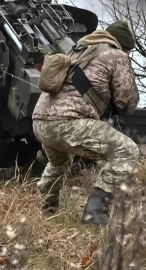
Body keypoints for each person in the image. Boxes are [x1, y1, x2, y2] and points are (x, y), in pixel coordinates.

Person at [32, 20, 140, 225]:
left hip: (40, 121)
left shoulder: (79, 51)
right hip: (68, 122)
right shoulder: (117, 55)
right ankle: (95, 213)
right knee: (127, 151)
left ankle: (46, 207)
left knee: (59, 163)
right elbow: (127, 102)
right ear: (124, 45)